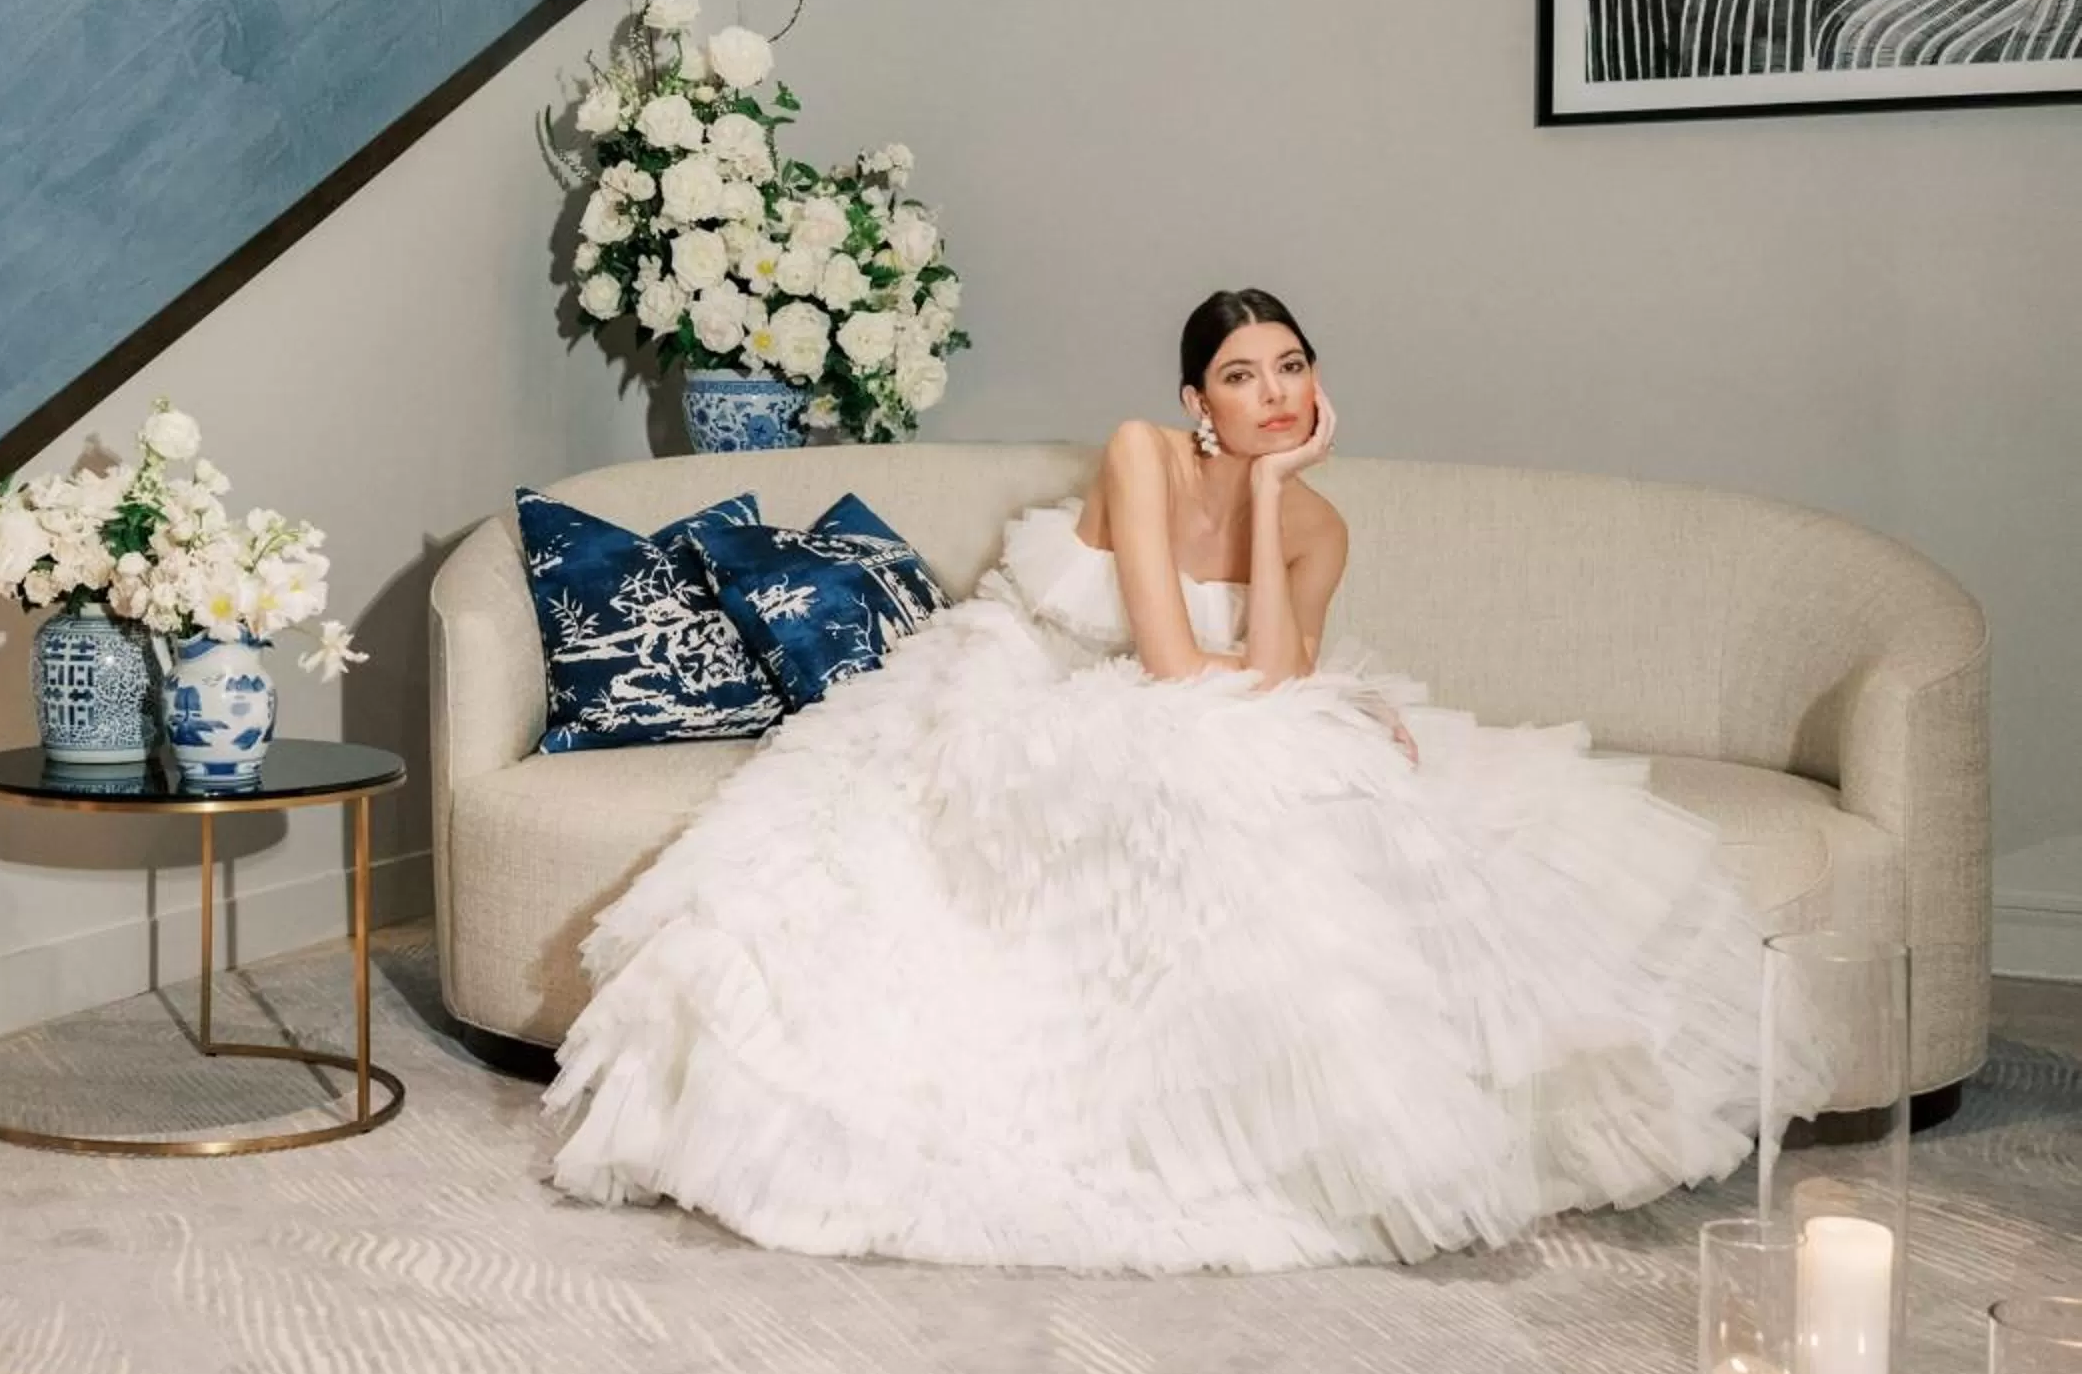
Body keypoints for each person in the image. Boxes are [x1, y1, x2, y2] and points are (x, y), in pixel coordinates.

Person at [542, 289, 1815, 1274]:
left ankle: (1314, 1108)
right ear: (1194, 395)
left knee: (1322, 781)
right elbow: (1163, 657)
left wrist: (1269, 494)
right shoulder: (1140, 451)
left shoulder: (1318, 524)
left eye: (1292, 368)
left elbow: (1262, 676)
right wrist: (1258, 644)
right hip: (1035, 676)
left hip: (1198, 702)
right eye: (1241, 376)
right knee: (1219, 760)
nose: (1272, 391)